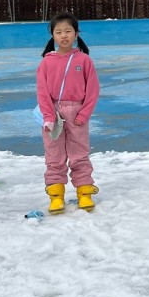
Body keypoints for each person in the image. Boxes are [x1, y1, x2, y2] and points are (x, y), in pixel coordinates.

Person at [36, 13, 100, 213]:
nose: (64, 36)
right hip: (53, 114)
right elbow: (42, 92)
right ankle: (56, 195)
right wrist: (48, 116)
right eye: (59, 32)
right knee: (54, 155)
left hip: (77, 111)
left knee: (79, 154)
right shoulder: (47, 62)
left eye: (68, 31)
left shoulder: (84, 60)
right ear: (53, 36)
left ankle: (84, 192)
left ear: (76, 33)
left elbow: (93, 90)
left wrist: (84, 114)